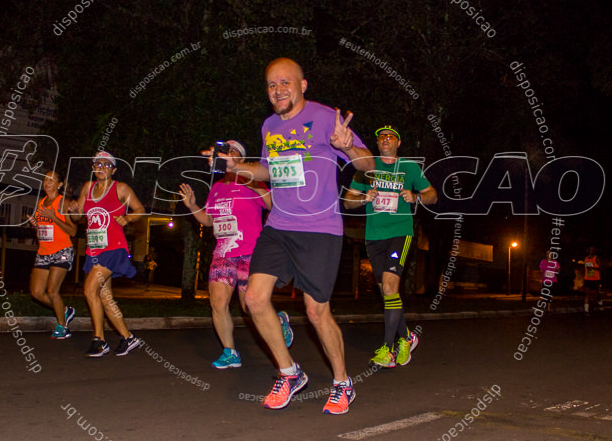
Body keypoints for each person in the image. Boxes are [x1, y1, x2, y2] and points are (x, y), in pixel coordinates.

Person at [227, 57, 374, 414]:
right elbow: (268, 167)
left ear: (302, 85)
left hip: (319, 228)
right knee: (254, 299)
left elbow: (367, 164)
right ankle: (289, 372)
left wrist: (346, 145)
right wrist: (239, 167)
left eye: (285, 83)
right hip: (279, 224)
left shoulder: (325, 118)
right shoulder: (269, 126)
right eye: (271, 85)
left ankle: (342, 382)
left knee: (316, 311)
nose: (277, 90)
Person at [179, 140, 290, 369]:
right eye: (224, 152)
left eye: (232, 152)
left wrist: (256, 185)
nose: (226, 155)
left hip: (250, 250)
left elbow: (273, 206)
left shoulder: (253, 180)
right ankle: (230, 352)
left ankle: (278, 320)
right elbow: (209, 220)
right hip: (223, 252)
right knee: (218, 303)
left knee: (249, 306)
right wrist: (192, 206)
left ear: (240, 159)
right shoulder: (217, 187)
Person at [344, 125, 437, 368]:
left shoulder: (409, 167)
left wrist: (416, 197)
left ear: (398, 142)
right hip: (374, 236)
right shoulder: (367, 168)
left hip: (400, 233)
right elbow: (347, 201)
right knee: (388, 293)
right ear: (378, 143)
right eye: (381, 137)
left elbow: (432, 195)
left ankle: (388, 349)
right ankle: (406, 338)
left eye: (390, 136)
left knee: (389, 285)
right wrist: (365, 198)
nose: (385, 140)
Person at [68, 151, 146, 357]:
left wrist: (128, 219)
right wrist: (73, 209)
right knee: (105, 297)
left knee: (89, 290)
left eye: (106, 164)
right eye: (97, 164)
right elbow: (77, 218)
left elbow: (139, 210)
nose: (101, 167)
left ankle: (99, 339)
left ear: (113, 169)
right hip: (94, 249)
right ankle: (128, 337)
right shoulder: (87, 187)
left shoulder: (120, 188)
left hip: (113, 247)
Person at [30, 170, 77, 339]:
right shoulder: (41, 203)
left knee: (52, 290)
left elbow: (73, 231)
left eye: (51, 180)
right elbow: (43, 232)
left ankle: (62, 327)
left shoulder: (62, 203)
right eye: (45, 179)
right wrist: (36, 225)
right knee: (36, 292)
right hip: (44, 251)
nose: (47, 182)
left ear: (59, 184)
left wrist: (54, 217)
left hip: (62, 250)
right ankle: (64, 311)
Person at [580, 247, 603, 315]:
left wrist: (592, 268)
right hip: (587, 279)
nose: (591, 251)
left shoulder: (596, 258)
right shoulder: (586, 259)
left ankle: (600, 303)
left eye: (593, 249)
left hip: (595, 279)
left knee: (596, 294)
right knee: (587, 294)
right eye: (590, 249)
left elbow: (601, 268)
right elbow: (584, 268)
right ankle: (586, 310)